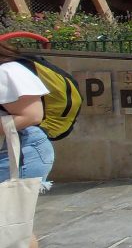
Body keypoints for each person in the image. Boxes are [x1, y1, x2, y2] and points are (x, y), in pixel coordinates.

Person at [0, 43, 53, 248]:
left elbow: (32, 115)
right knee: (11, 228)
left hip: (18, 154)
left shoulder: (8, 72)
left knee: (11, 226)